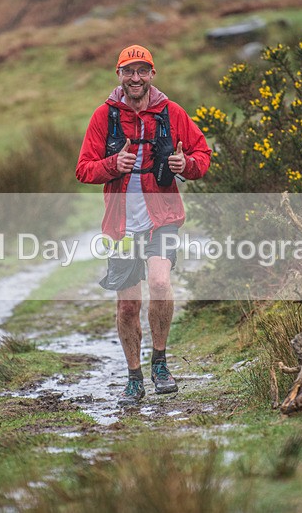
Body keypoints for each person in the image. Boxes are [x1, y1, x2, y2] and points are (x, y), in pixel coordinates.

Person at [76, 45, 211, 406]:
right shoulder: (104, 116)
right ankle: (134, 376)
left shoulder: (171, 112)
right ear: (118, 75)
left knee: (161, 281)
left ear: (152, 74)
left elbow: (203, 155)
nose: (135, 78)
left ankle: (160, 364)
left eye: (142, 70)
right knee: (127, 307)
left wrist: (187, 165)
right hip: (121, 227)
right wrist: (111, 164)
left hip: (162, 217)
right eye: (128, 71)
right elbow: (83, 168)